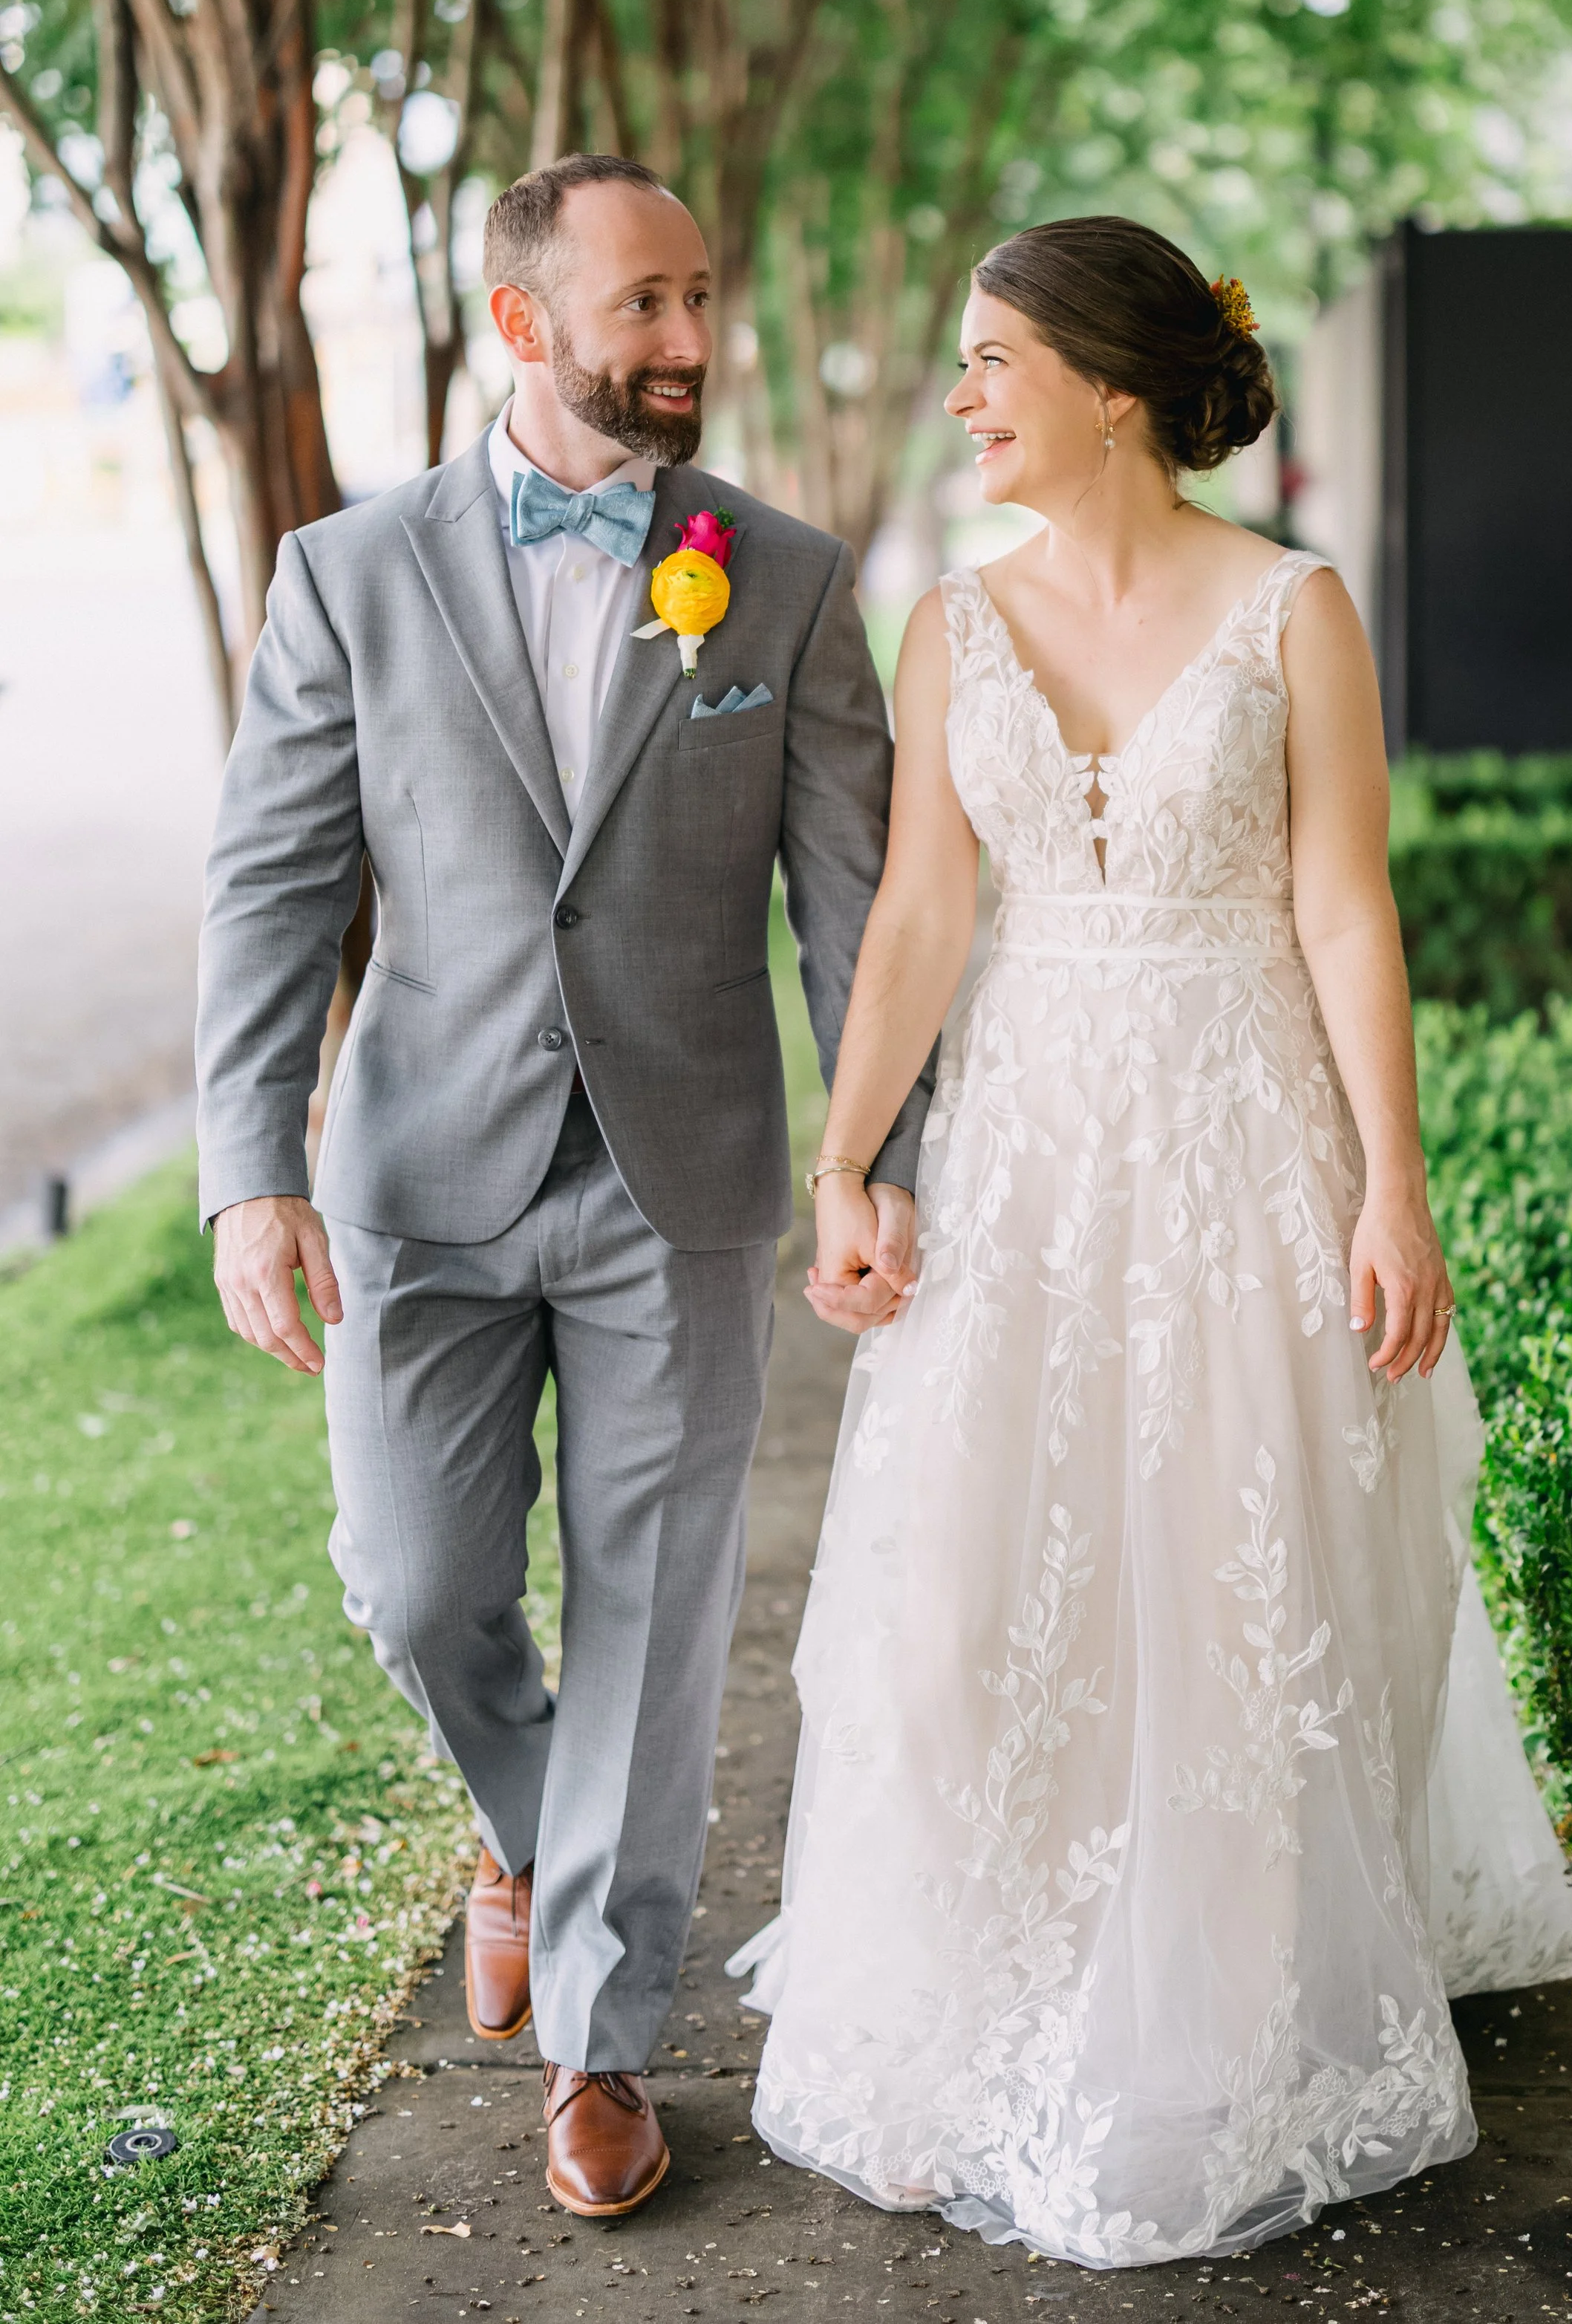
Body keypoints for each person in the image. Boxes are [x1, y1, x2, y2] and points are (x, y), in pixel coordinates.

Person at [728, 215, 1572, 2267]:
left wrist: (1391, 1183)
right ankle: (1000, 1978)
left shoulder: (1293, 609)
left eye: (988, 361)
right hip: (1028, 1149)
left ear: (1111, 387)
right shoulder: (949, 620)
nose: (960, 398)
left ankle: (1222, 2015)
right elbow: (922, 915)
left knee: (1232, 1571)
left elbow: (1339, 912)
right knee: (977, 1587)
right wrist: (843, 1160)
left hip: (1239, 1144)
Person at [195, 154, 930, 2222]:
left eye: (701, 294)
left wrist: (872, 1157)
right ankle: (526, 1840)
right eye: (644, 305)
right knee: (416, 1584)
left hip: (677, 1179)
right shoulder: (347, 570)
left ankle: (604, 2040)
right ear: (524, 326)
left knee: (655, 1612)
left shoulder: (775, 576)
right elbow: (270, 885)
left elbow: (852, 907)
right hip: (419, 1169)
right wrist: (254, 1168)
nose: (687, 339)